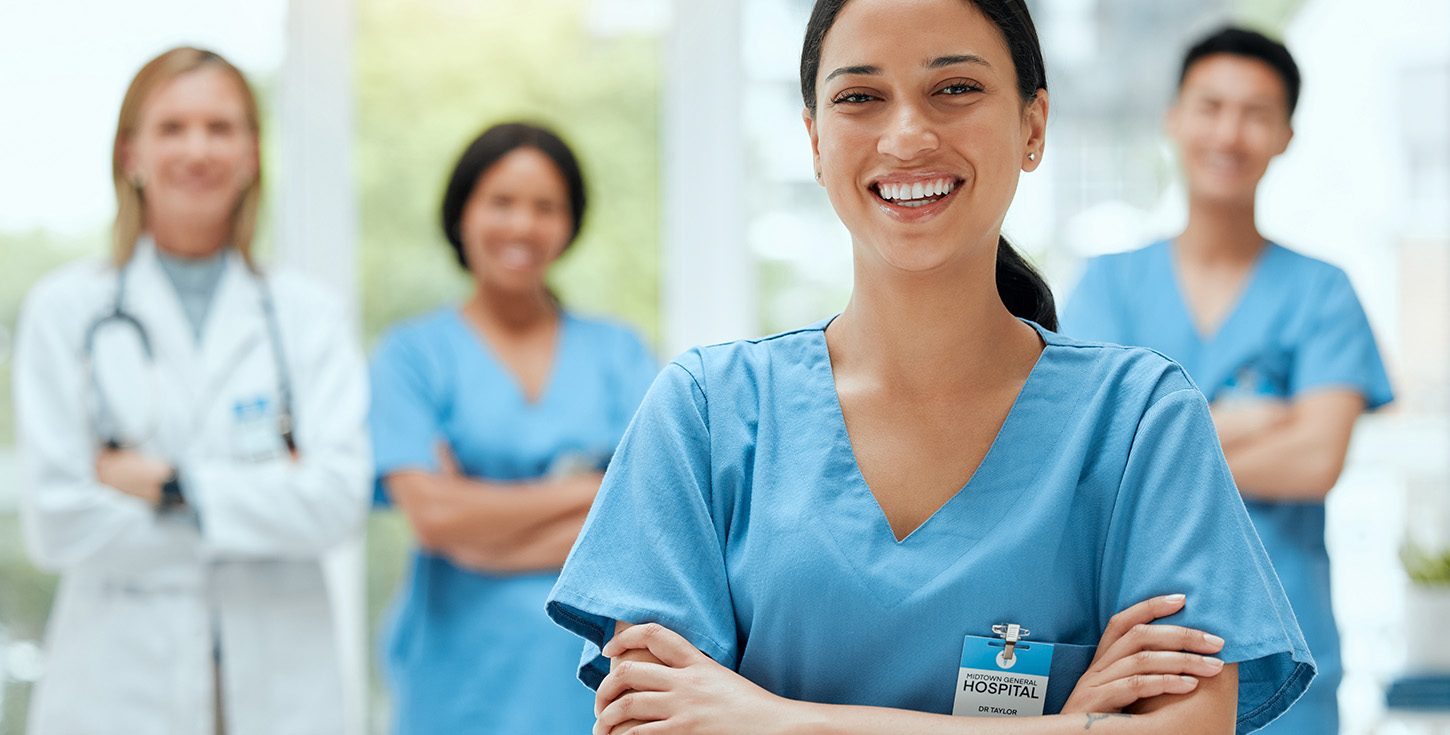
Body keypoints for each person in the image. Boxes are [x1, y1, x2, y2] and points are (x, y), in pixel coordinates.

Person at [546, 1, 1317, 733]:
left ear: (1033, 125)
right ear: (814, 139)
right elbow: (654, 718)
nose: (908, 135)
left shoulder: (1140, 419)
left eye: (955, 88)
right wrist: (1070, 722)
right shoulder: (705, 415)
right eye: (860, 97)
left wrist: (783, 718)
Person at [12, 47, 370, 735]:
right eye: (172, 127)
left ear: (252, 153)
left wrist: (171, 486)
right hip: (116, 683)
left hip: (283, 686)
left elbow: (336, 503)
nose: (197, 148)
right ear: (130, 154)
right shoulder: (65, 310)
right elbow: (58, 522)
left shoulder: (307, 314)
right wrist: (263, 503)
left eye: (221, 127)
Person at [1061, 27, 1394, 734]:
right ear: (1173, 119)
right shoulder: (1108, 284)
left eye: (1255, 112)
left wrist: (1163, 446)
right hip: (1134, 659)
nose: (1229, 132)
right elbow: (1084, 465)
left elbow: (1313, 461)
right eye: (1210, 106)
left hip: (1287, 657)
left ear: (1286, 135)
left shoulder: (1322, 292)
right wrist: (1249, 419)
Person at [368, 122, 659, 733]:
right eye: (501, 202)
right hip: (457, 679)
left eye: (545, 206)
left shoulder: (620, 354)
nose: (523, 226)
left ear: (570, 222)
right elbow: (434, 518)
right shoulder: (412, 356)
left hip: (593, 674)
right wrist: (593, 490)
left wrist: (478, 519)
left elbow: (649, 519)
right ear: (462, 213)